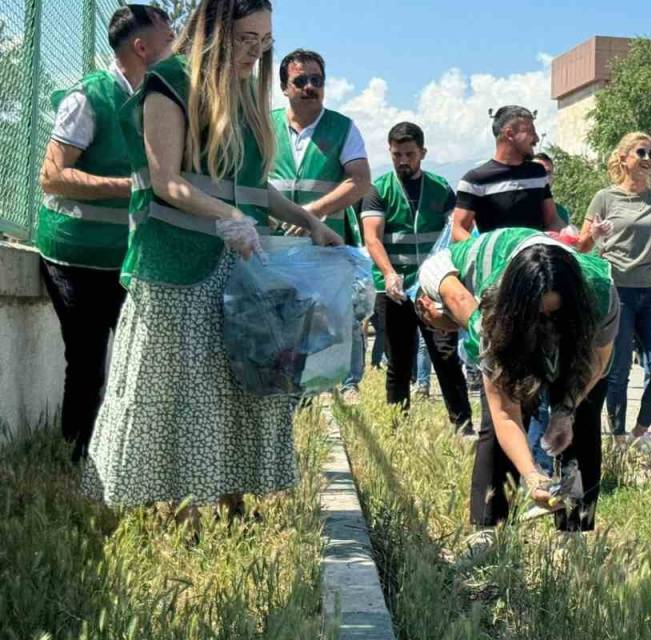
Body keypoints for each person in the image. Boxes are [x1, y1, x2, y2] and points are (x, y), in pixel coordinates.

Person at [83, 0, 344, 525]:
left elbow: (253, 186)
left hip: (236, 270)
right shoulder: (168, 82)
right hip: (176, 268)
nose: (256, 52)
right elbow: (167, 180)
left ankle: (232, 502)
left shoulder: (244, 95)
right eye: (246, 39)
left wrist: (309, 220)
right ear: (214, 31)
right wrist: (228, 216)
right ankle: (177, 512)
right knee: (176, 393)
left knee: (236, 387)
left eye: (264, 42)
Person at [34, 5, 174, 464]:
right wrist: (130, 187)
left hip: (126, 259)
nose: (173, 44)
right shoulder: (89, 97)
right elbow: (53, 177)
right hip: (73, 257)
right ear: (141, 47)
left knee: (139, 360)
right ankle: (74, 456)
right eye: (167, 37)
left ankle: (121, 457)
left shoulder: (159, 97)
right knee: (89, 361)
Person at [414, 227, 618, 535]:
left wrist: (565, 410)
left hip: (550, 300)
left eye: (554, 315)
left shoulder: (599, 294)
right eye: (538, 317)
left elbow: (597, 362)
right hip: (487, 299)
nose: (546, 326)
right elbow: (505, 413)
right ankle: (488, 529)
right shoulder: (488, 316)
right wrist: (532, 477)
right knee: (497, 424)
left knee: (584, 415)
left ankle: (575, 529)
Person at [579, 132, 651, 455]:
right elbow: (581, 246)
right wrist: (594, 232)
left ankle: (640, 432)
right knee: (616, 370)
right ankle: (617, 437)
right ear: (623, 158)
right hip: (616, 291)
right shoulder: (605, 198)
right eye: (641, 152)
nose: (648, 159)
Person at [268, 48, 372, 398]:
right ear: (284, 86)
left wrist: (310, 213)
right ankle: (287, 397)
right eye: (301, 80)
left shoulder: (343, 128)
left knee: (329, 325)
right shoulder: (264, 125)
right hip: (273, 248)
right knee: (277, 327)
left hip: (323, 249)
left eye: (317, 80)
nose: (310, 87)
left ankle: (338, 387)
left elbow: (359, 181)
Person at [360, 122, 472, 431]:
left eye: (409, 154)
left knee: (445, 356)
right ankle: (398, 426)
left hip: (434, 289)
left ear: (422, 153)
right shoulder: (378, 190)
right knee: (399, 360)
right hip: (393, 290)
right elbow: (372, 238)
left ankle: (462, 425)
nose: (403, 161)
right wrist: (389, 274)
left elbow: (458, 229)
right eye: (397, 154)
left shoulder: (439, 188)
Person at [450, 106, 564, 240]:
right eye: (531, 132)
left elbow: (552, 220)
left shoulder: (537, 173)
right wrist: (483, 251)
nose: (537, 138)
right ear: (510, 134)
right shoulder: (475, 180)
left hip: (536, 258)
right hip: (496, 260)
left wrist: (567, 236)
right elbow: (458, 229)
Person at [532, 152, 573, 226]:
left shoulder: (561, 212)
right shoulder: (515, 207)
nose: (544, 177)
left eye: (548, 173)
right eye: (537, 171)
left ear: (553, 178)